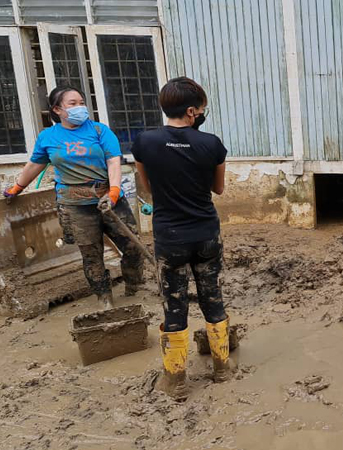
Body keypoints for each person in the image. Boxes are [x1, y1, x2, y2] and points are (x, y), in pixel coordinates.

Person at [131, 77, 232, 401]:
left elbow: (146, 187)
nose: (203, 113)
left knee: (174, 307)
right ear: (191, 111)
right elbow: (218, 189)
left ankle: (175, 381)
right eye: (202, 108)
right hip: (205, 234)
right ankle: (222, 370)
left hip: (169, 238)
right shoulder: (212, 144)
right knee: (212, 299)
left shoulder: (145, 142)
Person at [2, 87, 144, 310]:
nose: (80, 107)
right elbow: (36, 163)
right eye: (73, 103)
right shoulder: (48, 136)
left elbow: (113, 161)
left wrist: (114, 192)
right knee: (91, 254)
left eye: (81, 102)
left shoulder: (99, 130)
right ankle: (104, 297)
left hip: (109, 199)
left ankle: (134, 286)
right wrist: (17, 187)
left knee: (133, 246)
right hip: (75, 205)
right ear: (57, 109)